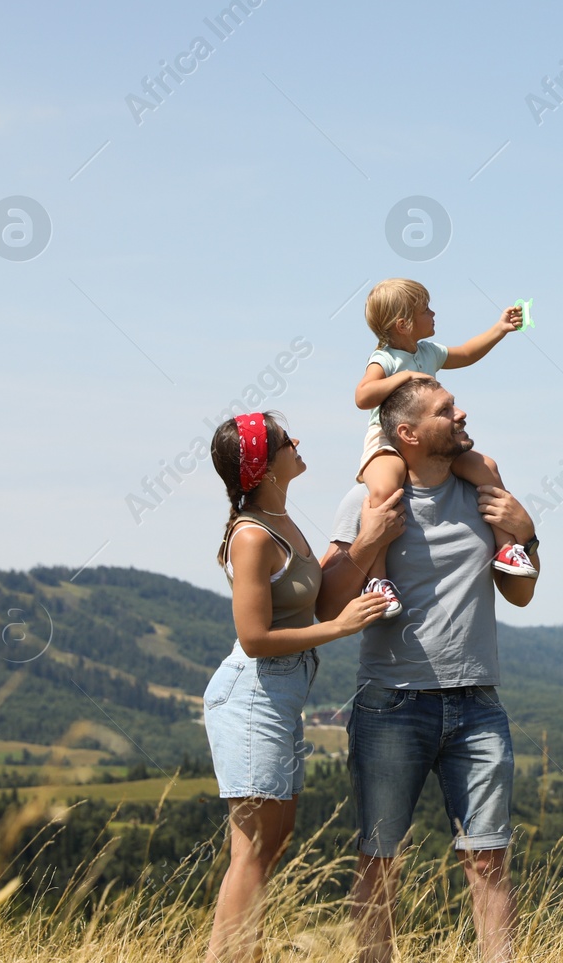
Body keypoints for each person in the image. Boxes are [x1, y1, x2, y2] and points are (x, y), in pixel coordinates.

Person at [320, 378, 539, 963]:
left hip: (477, 703)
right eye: (446, 410)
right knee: (379, 859)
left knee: (489, 861)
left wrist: (527, 530)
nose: (462, 412)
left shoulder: (484, 494)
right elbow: (326, 602)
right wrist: (368, 543)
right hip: (392, 703)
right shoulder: (366, 500)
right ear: (409, 433)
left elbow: (520, 595)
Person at [202, 411, 407, 963]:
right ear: (264, 466)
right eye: (285, 440)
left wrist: (365, 544)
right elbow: (254, 637)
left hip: (280, 694)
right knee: (253, 850)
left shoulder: (280, 520)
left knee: (273, 840)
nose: (297, 442)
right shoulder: (252, 536)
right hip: (253, 693)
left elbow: (310, 600)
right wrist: (341, 628)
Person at [353, 278, 537, 617]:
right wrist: (403, 379)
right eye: (426, 309)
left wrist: (500, 328)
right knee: (384, 491)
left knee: (487, 468)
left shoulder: (428, 352)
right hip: (387, 441)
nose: (434, 313)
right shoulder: (384, 359)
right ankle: (377, 579)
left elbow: (466, 353)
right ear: (404, 323)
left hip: (433, 441)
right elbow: (363, 396)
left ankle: (507, 548)